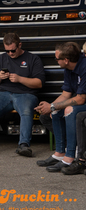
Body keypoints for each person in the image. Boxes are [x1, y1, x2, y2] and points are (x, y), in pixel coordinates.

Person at [35, 42, 86, 173]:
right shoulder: (69, 69)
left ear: (66, 60)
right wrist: (52, 107)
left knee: (69, 109)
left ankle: (69, 157)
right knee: (57, 110)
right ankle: (60, 153)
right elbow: (66, 94)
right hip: (81, 101)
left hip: (83, 102)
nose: (55, 60)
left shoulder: (84, 66)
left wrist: (52, 106)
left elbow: (81, 98)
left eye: (56, 59)